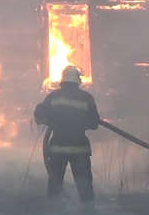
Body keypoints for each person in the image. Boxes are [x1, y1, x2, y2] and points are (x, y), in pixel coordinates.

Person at [34, 65, 100, 203]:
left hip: (58, 149)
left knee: (55, 186)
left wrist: (48, 120)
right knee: (85, 187)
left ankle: (54, 211)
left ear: (63, 80)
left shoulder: (54, 96)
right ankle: (88, 211)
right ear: (77, 80)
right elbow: (94, 124)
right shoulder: (86, 98)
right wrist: (81, 123)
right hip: (80, 149)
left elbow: (39, 114)